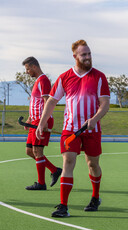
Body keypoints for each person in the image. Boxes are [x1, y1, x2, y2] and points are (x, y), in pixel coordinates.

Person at [36, 40, 110, 217]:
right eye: (83, 54)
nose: (87, 57)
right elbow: (52, 101)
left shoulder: (99, 77)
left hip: (92, 130)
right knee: (68, 162)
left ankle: (95, 196)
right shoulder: (64, 77)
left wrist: (95, 118)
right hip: (70, 130)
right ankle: (63, 206)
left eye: (89, 54)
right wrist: (42, 122)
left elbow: (105, 103)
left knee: (93, 164)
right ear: (75, 56)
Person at [22, 56, 62, 190]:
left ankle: (41, 183)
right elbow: (35, 102)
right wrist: (29, 118)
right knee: (29, 151)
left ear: (34, 67)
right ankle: (54, 170)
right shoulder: (37, 81)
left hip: (41, 121)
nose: (27, 72)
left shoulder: (44, 80)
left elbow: (47, 101)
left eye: (27, 69)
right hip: (35, 120)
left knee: (37, 151)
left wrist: (43, 121)